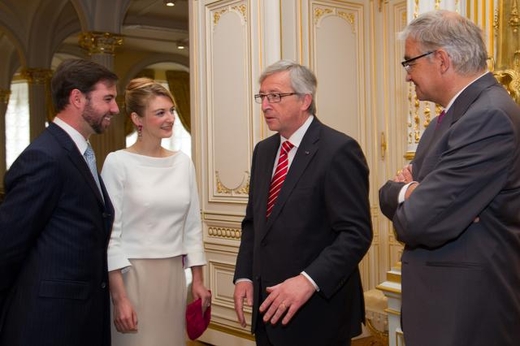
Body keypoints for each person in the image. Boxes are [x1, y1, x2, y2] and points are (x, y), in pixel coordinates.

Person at [379, 10, 520, 346]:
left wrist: (413, 193)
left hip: (469, 315)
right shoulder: (446, 120)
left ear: (440, 59)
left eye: (409, 63)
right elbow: (388, 193)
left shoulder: (489, 117)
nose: (407, 77)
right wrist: (412, 191)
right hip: (444, 308)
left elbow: (419, 222)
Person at [233, 60, 373, 346]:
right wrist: (244, 276)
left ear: (305, 100)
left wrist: (308, 280)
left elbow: (355, 234)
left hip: (318, 313)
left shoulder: (339, 150)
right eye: (262, 96)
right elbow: (253, 223)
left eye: (276, 96)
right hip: (267, 309)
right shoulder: (264, 151)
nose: (265, 106)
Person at [0, 59, 119, 345]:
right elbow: (7, 245)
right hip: (49, 322)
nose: (115, 108)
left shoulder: (79, 153)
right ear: (77, 98)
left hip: (79, 316)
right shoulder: (45, 157)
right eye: (108, 98)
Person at [101, 77, 211, 345]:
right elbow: (109, 236)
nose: (171, 118)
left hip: (173, 277)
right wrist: (120, 298)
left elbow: (192, 226)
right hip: (131, 278)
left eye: (172, 110)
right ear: (137, 119)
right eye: (160, 113)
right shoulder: (117, 163)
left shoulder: (182, 163)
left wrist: (197, 280)